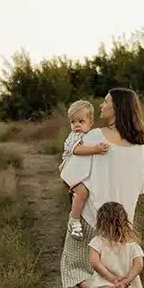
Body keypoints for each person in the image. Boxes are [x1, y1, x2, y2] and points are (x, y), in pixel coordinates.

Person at [58, 87, 144, 288]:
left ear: (117, 108)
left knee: (73, 267)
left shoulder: (95, 137)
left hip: (92, 217)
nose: (101, 105)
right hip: (122, 224)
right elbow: (140, 187)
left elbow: (70, 173)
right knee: (116, 271)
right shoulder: (138, 144)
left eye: (106, 102)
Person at [58, 100, 110, 240]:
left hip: (79, 171)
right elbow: (76, 150)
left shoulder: (90, 135)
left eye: (81, 121)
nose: (76, 125)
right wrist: (95, 149)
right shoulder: (74, 136)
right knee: (82, 192)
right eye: (73, 122)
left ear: (90, 121)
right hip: (69, 170)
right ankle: (74, 220)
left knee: (86, 192)